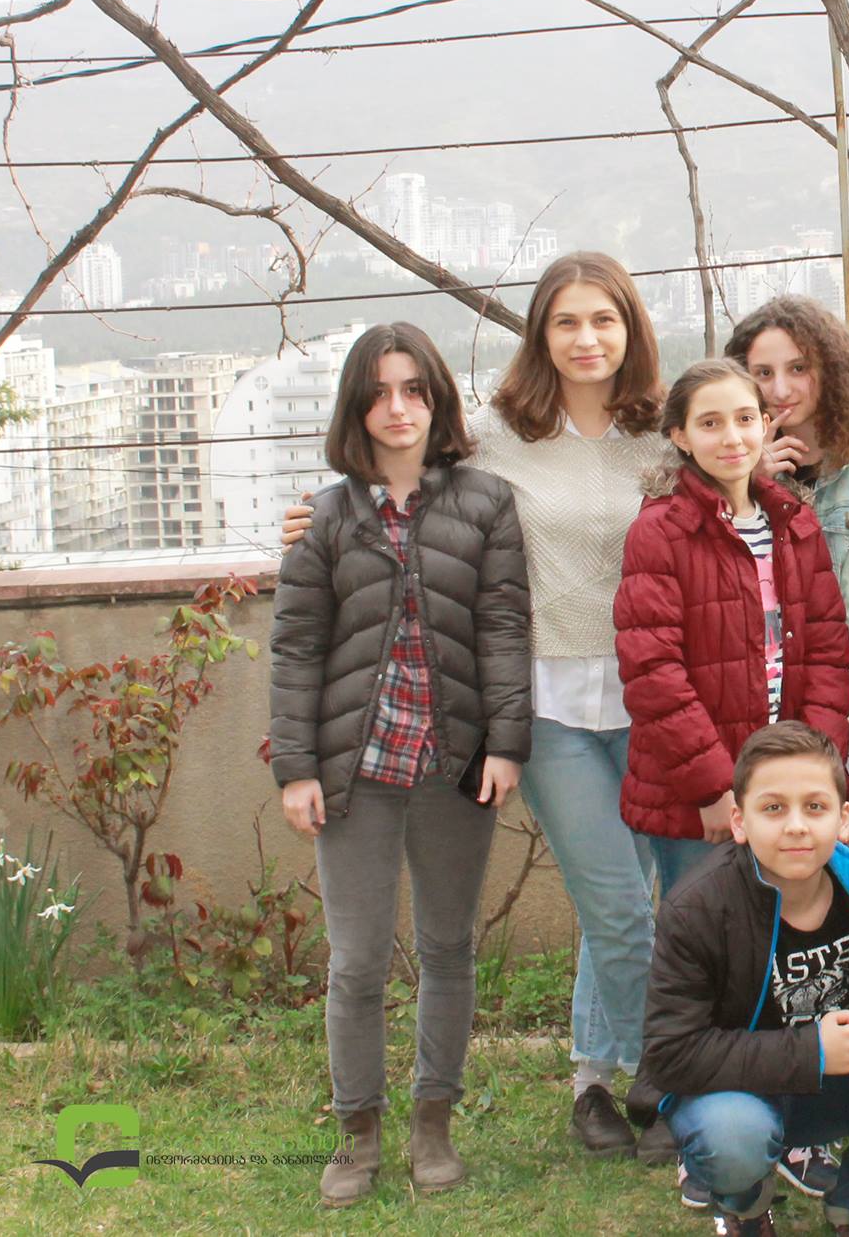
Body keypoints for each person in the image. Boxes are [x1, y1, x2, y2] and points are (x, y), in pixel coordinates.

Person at [279, 252, 675, 1157]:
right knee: (619, 904)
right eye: (566, 321)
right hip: (546, 702)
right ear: (539, 334)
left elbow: (732, 484)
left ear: (631, 329)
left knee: (617, 903)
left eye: (603, 320)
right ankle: (668, 1084)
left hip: (649, 696)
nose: (586, 338)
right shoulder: (495, 436)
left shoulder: (663, 436)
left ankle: (592, 1081)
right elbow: (392, 479)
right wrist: (307, 520)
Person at [268, 322, 531, 1207]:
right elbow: (297, 648)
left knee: (449, 949)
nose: (398, 408)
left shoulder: (487, 503)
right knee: (356, 962)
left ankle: (433, 1122)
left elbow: (503, 628)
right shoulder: (325, 516)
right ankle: (357, 1131)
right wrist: (297, 766)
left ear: (437, 399)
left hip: (454, 765)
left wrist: (507, 742)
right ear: (356, 406)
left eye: (414, 388)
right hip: (357, 771)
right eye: (379, 392)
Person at [639, 723, 849, 1237]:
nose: (797, 826)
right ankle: (745, 1205)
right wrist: (810, 1051)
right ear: (739, 821)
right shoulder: (697, 909)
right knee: (734, 1135)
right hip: (731, 1096)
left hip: (833, 1087)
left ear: (843, 818)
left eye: (815, 807)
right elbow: (670, 1053)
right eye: (774, 808)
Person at [616, 357, 849, 863]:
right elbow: (653, 674)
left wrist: (817, 771)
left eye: (745, 419)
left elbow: (829, 656)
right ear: (680, 436)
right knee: (707, 909)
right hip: (701, 795)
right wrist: (714, 789)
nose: (731, 438)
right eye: (710, 423)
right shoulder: (660, 531)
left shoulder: (796, 522)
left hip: (788, 783)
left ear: (764, 425)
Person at [727, 297, 849, 823]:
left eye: (798, 368)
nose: (780, 389)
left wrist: (844, 740)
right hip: (746, 722)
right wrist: (748, 483)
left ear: (830, 370)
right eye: (763, 373)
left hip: (841, 726)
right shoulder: (727, 473)